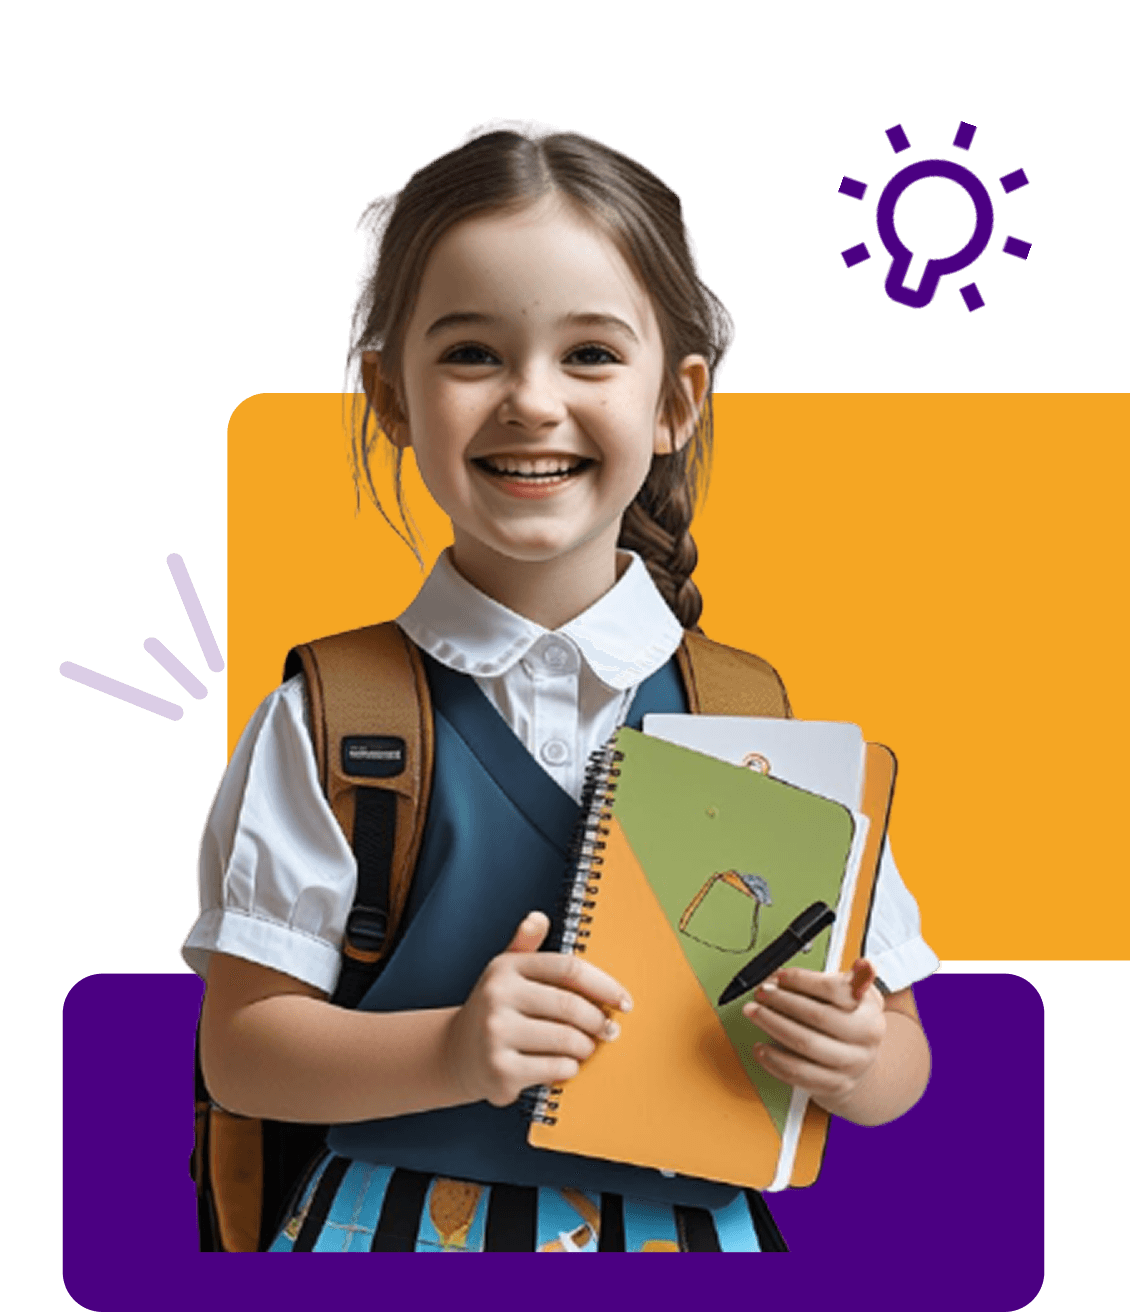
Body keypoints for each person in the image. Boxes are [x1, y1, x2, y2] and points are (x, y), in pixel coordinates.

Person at [182, 124, 940, 1253]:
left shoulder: (758, 719)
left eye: (589, 354)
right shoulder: (338, 715)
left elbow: (901, 1058)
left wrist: (860, 1055)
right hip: (385, 1240)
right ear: (392, 399)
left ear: (675, 401)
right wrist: (447, 1050)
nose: (532, 402)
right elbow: (240, 1048)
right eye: (472, 354)